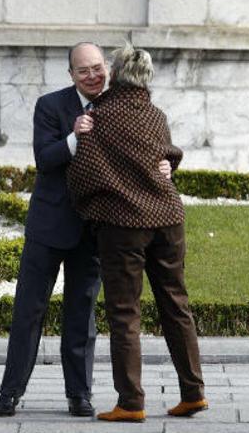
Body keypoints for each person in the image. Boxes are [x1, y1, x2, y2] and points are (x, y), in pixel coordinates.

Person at [67, 42, 207, 423]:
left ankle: (131, 402)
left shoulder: (98, 116)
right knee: (176, 305)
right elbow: (168, 156)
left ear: (114, 74)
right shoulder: (157, 115)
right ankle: (193, 393)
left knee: (125, 314)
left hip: (123, 227)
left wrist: (92, 207)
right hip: (169, 220)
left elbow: (82, 177)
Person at [0, 42, 107, 418]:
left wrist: (166, 165)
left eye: (97, 67)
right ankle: (10, 392)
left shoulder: (118, 106)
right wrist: (74, 137)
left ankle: (80, 394)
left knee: (82, 315)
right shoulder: (50, 105)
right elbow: (44, 159)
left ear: (107, 67)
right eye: (83, 70)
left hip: (92, 229)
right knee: (28, 311)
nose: (92, 76)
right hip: (49, 225)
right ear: (71, 75)